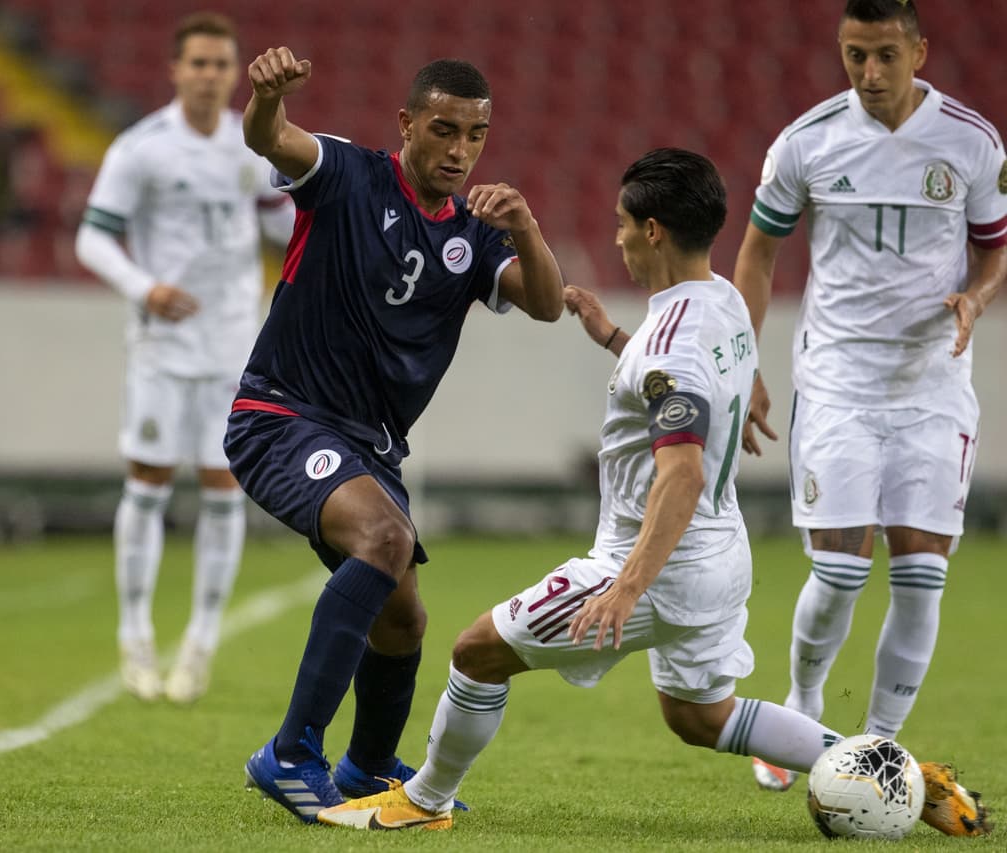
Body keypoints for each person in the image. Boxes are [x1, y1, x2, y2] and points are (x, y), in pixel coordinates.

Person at [315, 148, 988, 837]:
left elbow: (683, 470)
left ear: (655, 230)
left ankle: (424, 799)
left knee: (475, 652)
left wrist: (628, 585)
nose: (617, 238)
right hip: (721, 556)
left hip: (656, 560)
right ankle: (897, 769)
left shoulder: (674, 344)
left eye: (623, 224)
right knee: (699, 714)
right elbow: (675, 384)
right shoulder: (720, 299)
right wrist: (610, 336)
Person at [230, 47, 565, 822]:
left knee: (405, 617)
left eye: (475, 135)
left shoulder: (477, 234)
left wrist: (527, 229)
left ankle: (367, 763)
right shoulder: (349, 174)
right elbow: (271, 139)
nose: (458, 151)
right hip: (281, 414)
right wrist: (266, 98)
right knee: (384, 539)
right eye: (443, 130)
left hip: (370, 446)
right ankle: (289, 755)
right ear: (407, 123)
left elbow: (544, 304)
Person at [732, 0, 1007, 792]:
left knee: (922, 573)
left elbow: (994, 251)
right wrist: (748, 361)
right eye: (855, 55)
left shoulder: (972, 142)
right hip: (838, 379)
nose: (870, 73)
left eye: (886, 54)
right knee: (841, 572)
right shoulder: (807, 141)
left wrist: (977, 300)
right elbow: (756, 254)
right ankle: (805, 703)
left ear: (920, 50)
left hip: (932, 385)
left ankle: (877, 747)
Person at [74, 12, 295, 704]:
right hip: (162, 347)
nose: (208, 76)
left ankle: (199, 643)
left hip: (233, 344)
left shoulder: (250, 145)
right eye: (197, 63)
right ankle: (135, 633)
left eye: (220, 65)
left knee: (224, 490)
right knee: (148, 481)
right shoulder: (141, 148)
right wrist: (146, 287)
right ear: (175, 71)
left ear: (236, 74)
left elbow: (282, 222)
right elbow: (93, 238)